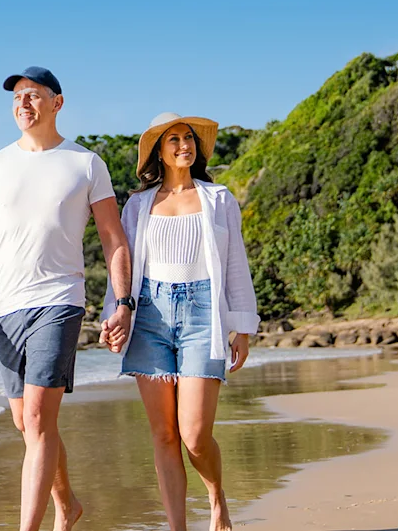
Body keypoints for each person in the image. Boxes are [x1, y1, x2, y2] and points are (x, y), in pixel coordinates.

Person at [0, 66, 132, 531]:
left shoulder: (85, 163)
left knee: (37, 416)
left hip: (60, 298)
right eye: (16, 98)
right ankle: (67, 503)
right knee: (27, 424)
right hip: (4, 306)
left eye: (33, 96)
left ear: (58, 102)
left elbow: (113, 237)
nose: (23, 104)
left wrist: (123, 301)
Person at [99, 112, 259, 531]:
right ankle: (177, 527)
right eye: (173, 139)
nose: (183, 145)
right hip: (149, 315)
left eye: (188, 138)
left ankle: (215, 496)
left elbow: (236, 264)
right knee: (164, 435)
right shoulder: (138, 204)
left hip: (203, 315)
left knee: (193, 435)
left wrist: (241, 327)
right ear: (158, 150)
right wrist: (116, 314)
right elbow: (123, 264)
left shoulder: (219, 198)